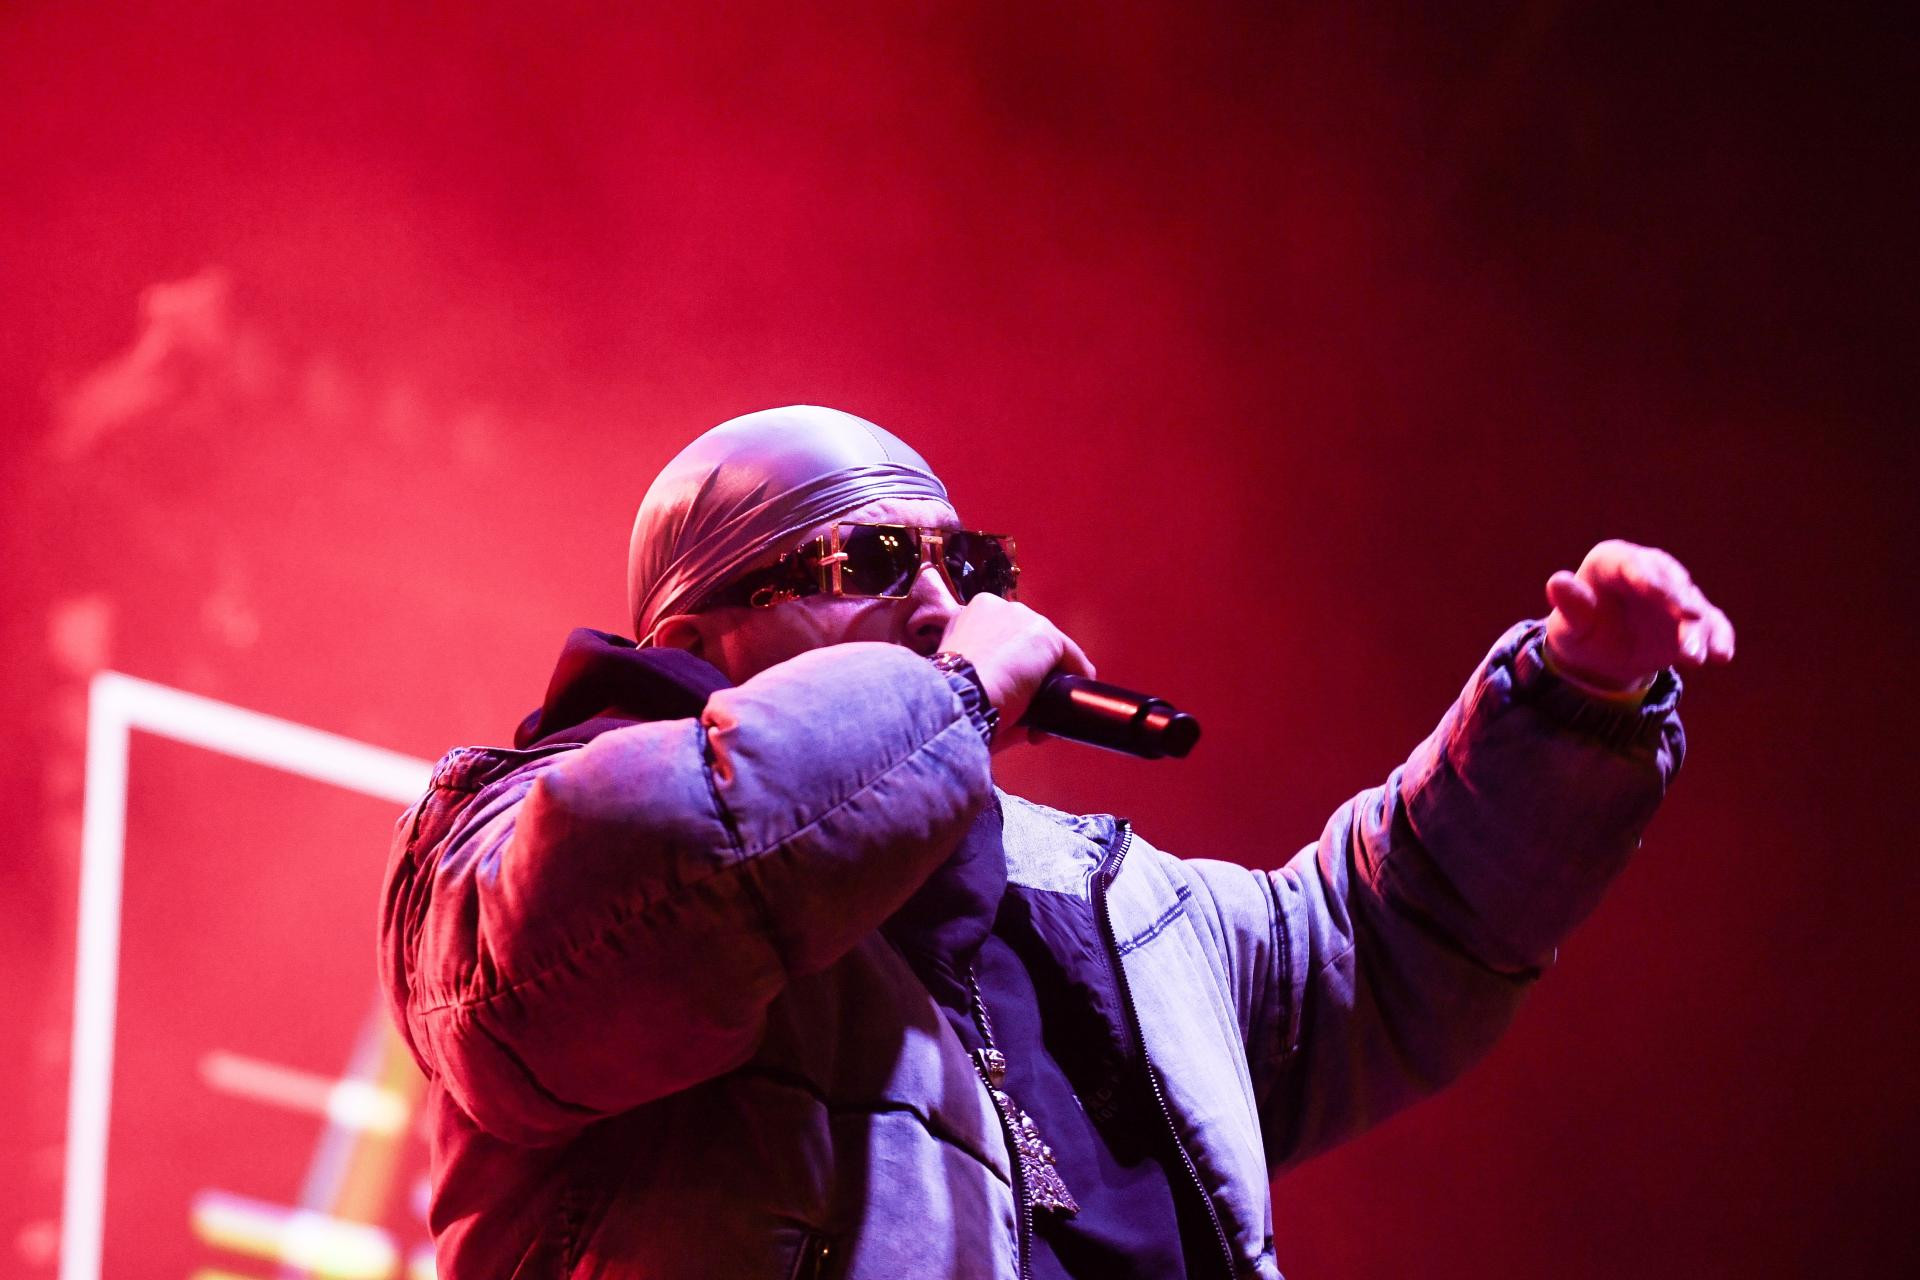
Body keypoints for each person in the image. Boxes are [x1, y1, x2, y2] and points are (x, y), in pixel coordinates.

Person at [378, 405, 1734, 1279]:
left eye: (965, 567)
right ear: (697, 639)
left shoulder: (1108, 899)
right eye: (870, 563)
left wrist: (1571, 702)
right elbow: (657, 889)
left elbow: (1377, 944)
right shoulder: (504, 835)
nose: (937, 602)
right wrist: (961, 694)